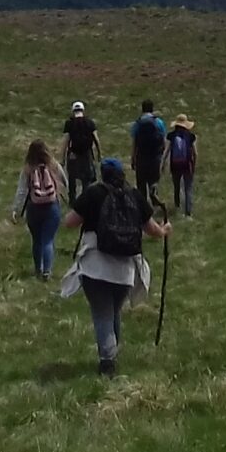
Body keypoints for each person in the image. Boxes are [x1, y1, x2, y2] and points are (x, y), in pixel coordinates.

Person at [59, 158, 169, 377]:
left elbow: (70, 222)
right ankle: (112, 353)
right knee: (114, 312)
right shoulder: (134, 195)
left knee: (102, 314)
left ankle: (107, 361)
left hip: (95, 266)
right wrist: (165, 230)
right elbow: (152, 229)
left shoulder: (93, 193)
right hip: (125, 269)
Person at [11, 138, 67, 281]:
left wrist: (16, 209)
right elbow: (65, 181)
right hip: (52, 206)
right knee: (48, 240)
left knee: (36, 240)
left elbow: (22, 190)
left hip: (34, 207)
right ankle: (47, 271)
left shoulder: (28, 169)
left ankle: (38, 269)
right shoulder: (54, 165)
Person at [129, 100, 167, 205]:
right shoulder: (159, 122)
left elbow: (134, 144)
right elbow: (163, 141)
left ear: (142, 109)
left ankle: (143, 208)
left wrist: (133, 159)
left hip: (141, 158)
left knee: (141, 186)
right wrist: (162, 157)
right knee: (153, 184)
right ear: (152, 109)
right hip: (155, 158)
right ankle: (155, 205)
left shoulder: (137, 124)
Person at [167, 114, 199, 218]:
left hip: (175, 164)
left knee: (176, 186)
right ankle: (188, 212)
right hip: (187, 165)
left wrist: (163, 164)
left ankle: (177, 207)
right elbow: (195, 153)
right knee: (188, 188)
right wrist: (194, 164)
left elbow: (167, 151)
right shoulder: (191, 136)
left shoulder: (171, 136)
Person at [61, 101, 99, 187]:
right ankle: (86, 194)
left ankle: (72, 194)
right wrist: (99, 154)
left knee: (72, 177)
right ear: (83, 110)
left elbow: (66, 141)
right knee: (86, 179)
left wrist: (63, 158)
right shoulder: (90, 122)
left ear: (73, 111)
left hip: (73, 154)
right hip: (87, 154)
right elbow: (96, 139)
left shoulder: (69, 123)